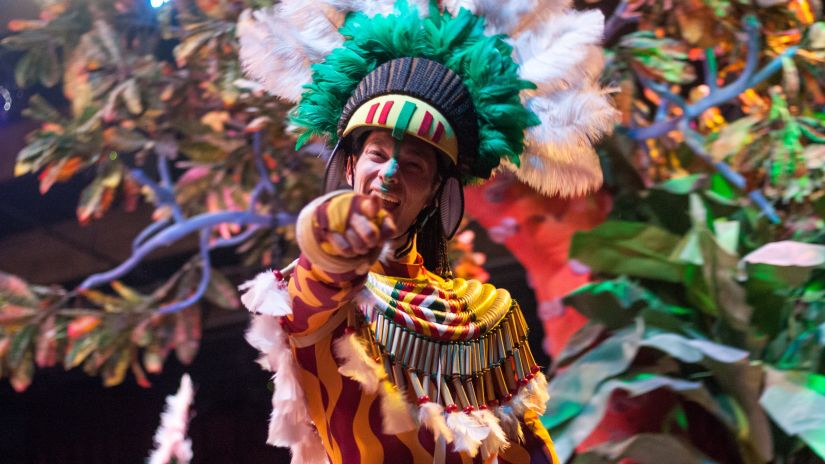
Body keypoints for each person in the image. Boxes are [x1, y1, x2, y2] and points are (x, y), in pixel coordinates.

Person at [238, 2, 614, 463]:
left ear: (436, 189)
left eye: (414, 164)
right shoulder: (321, 290)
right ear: (352, 165)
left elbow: (528, 447)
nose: (391, 172)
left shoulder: (486, 315)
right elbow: (316, 289)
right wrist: (341, 241)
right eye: (377, 154)